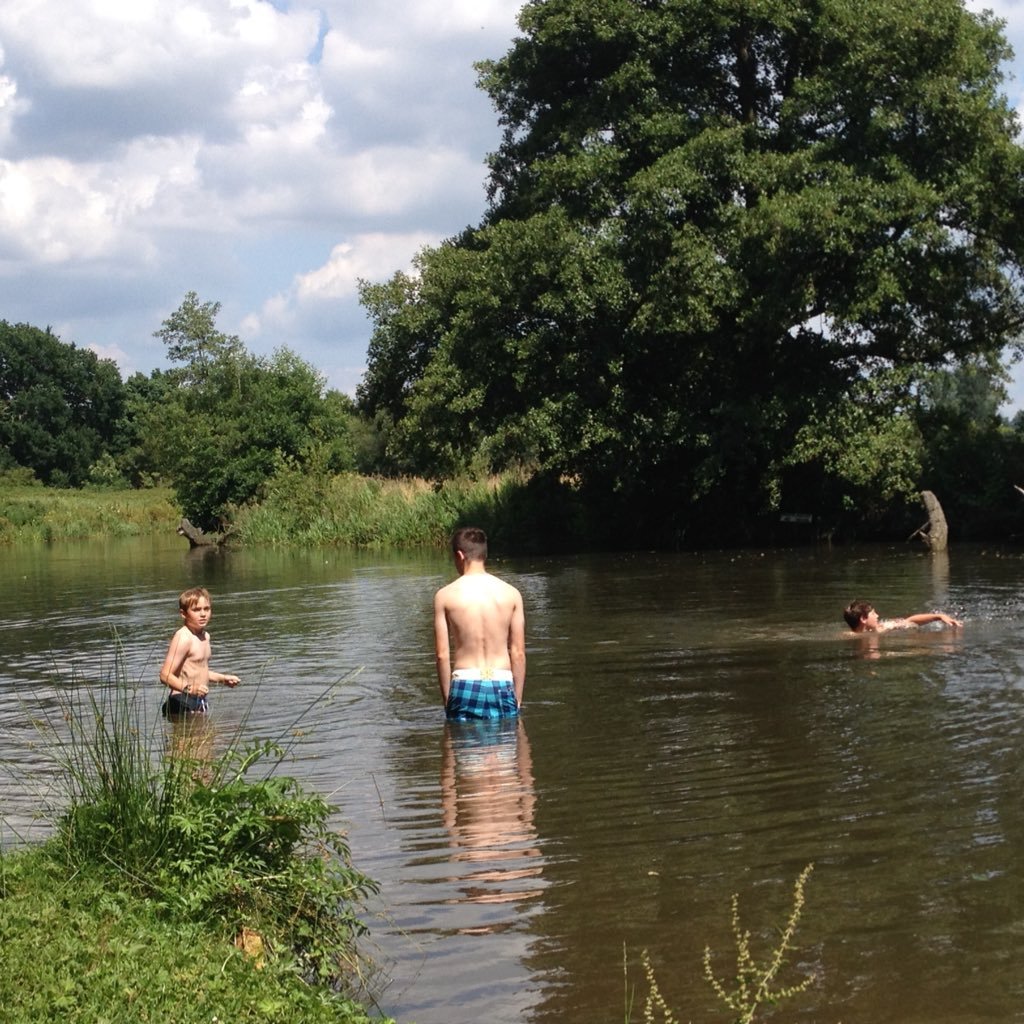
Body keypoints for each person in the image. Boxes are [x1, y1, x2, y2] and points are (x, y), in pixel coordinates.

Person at [434, 526, 526, 720]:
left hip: (464, 682)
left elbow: (442, 655)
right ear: (484, 555)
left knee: (461, 746)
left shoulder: (444, 596)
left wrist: (447, 701)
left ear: (459, 555)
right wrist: (517, 699)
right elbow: (518, 653)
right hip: (502, 682)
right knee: (509, 744)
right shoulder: (512, 594)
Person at [159, 586, 240, 715]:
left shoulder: (205, 637)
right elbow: (165, 675)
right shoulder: (183, 637)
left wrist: (223, 679)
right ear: (183, 613)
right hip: (181, 702)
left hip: (197, 700)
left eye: (206, 609)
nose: (203, 614)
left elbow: (198, 671)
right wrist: (190, 689)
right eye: (196, 610)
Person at [843, 599, 962, 633]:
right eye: (873, 613)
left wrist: (939, 616)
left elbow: (909, 621)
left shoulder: (881, 628)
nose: (877, 615)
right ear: (863, 619)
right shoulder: (848, 637)